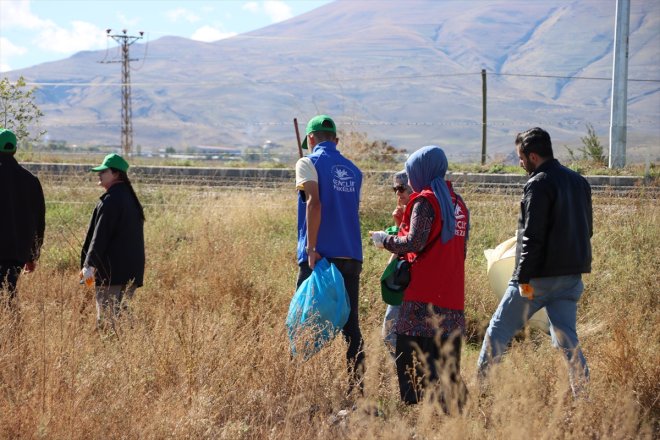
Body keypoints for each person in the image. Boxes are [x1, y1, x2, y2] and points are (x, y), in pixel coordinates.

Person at [477, 127, 592, 397]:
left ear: (532, 156)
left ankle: (479, 392)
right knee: (567, 340)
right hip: (571, 278)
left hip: (537, 278)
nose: (520, 163)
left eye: (520, 158)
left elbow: (532, 236)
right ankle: (584, 398)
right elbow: (587, 231)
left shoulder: (538, 183)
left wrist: (522, 278)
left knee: (498, 329)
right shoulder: (579, 182)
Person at [370, 146, 469, 411]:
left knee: (409, 356)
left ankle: (419, 414)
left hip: (422, 296)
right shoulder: (458, 204)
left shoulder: (425, 200)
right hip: (452, 296)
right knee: (445, 361)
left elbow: (414, 241)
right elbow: (463, 251)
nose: (409, 179)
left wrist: (385, 241)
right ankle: (454, 414)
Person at [295, 115, 364, 394]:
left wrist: (311, 249)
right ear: (336, 140)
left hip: (320, 258)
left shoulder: (307, 162)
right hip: (351, 256)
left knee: (303, 322)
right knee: (351, 328)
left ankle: (299, 388)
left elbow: (314, 203)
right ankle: (357, 390)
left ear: (310, 139)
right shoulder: (354, 171)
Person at [81, 153, 145, 330]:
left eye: (104, 171)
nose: (99, 174)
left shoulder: (111, 200)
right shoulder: (129, 199)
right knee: (122, 318)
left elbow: (100, 237)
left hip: (111, 273)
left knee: (108, 322)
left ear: (116, 174)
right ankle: (126, 352)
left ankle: (111, 353)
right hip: (130, 272)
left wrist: (89, 267)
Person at [0, 128, 45, 308]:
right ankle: (12, 331)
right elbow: (39, 222)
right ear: (15, 150)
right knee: (9, 294)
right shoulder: (31, 181)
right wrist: (33, 255)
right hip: (17, 254)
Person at [381, 170, 413, 355]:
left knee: (390, 333)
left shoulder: (419, 210)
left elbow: (408, 244)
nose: (398, 193)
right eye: (395, 189)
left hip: (409, 280)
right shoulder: (406, 211)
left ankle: (405, 378)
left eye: (402, 188)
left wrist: (401, 223)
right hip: (403, 277)